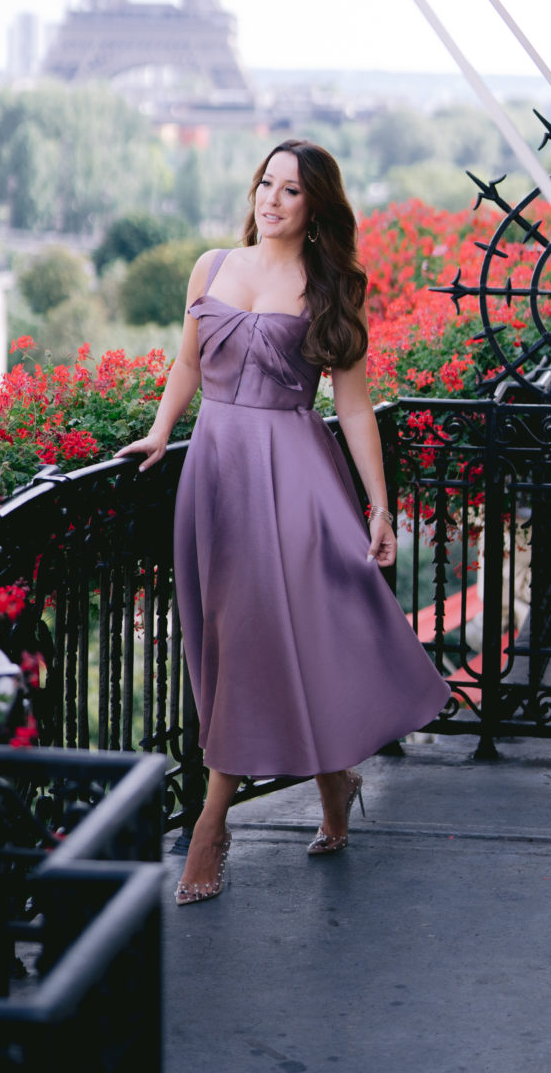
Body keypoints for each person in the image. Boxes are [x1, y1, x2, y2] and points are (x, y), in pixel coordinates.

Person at [122, 139, 450, 905]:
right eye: (265, 182)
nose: (270, 199)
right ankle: (336, 781)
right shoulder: (211, 267)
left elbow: (356, 403)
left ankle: (211, 822)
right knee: (234, 637)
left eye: (290, 190)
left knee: (269, 636)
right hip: (214, 470)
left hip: (294, 475)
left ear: (315, 206)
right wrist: (163, 429)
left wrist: (380, 503)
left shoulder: (331, 285)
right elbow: (189, 365)